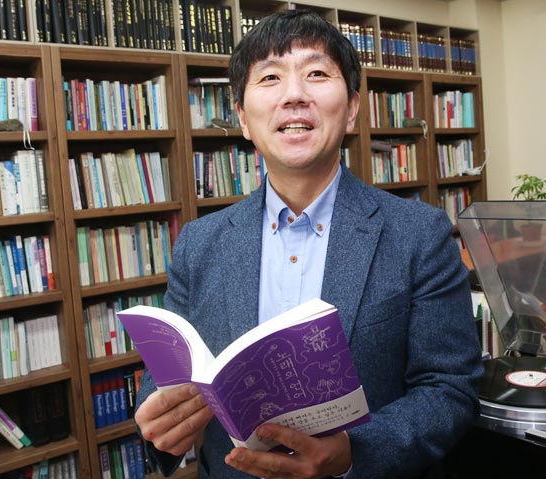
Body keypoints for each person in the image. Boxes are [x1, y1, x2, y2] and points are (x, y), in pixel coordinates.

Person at [134, 9, 483, 479]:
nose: (294, 94)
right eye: (270, 77)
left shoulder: (419, 234)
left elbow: (449, 389)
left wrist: (354, 453)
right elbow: (169, 372)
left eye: (317, 74)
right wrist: (159, 418)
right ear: (243, 118)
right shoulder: (200, 243)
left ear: (353, 107)